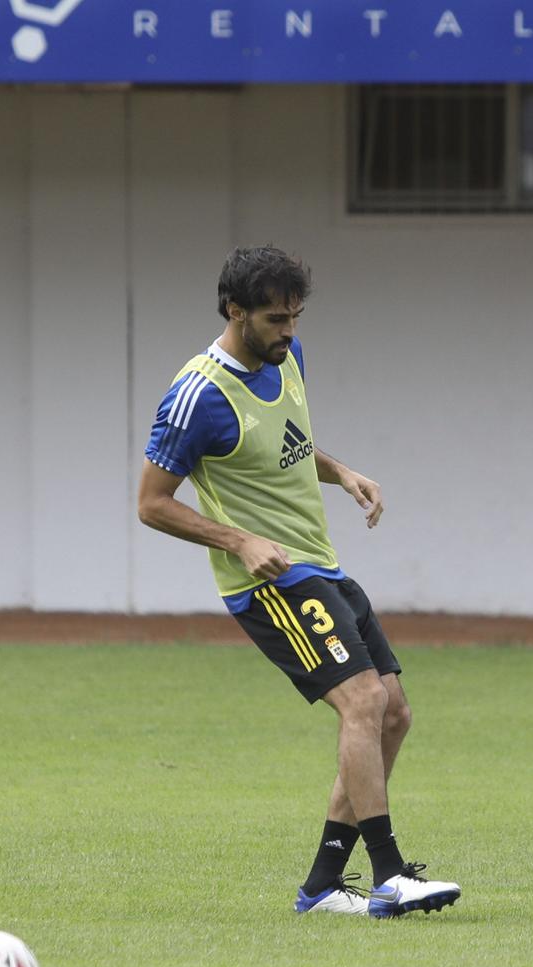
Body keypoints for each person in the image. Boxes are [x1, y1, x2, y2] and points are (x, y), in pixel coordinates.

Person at [137, 246, 461, 919]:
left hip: (323, 564)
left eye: (295, 317)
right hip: (270, 584)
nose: (289, 330)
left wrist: (341, 472)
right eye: (275, 318)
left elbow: (283, 443)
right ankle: (390, 875)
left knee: (394, 714)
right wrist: (239, 540)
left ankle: (320, 886)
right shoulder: (197, 395)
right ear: (235, 311)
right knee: (363, 704)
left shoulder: (289, 361)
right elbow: (152, 503)